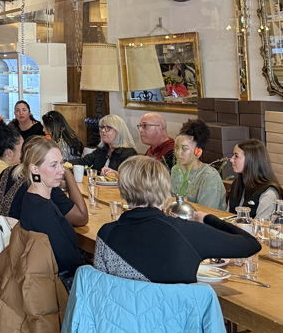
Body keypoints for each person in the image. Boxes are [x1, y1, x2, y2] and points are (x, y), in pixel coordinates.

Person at [95, 156, 259, 283]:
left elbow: (101, 286)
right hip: (176, 316)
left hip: (121, 315)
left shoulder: (106, 234)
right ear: (164, 189)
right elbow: (250, 245)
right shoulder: (187, 232)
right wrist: (210, 220)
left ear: (122, 189)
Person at [16, 137, 89, 285]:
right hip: (59, 285)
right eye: (53, 165)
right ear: (34, 169)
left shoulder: (33, 198)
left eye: (61, 163)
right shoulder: (42, 209)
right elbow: (68, 260)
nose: (61, 171)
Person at [171, 119, 226, 211]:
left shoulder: (209, 175)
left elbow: (206, 211)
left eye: (184, 149)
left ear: (198, 151)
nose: (178, 153)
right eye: (176, 147)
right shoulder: (176, 169)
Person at [228, 139, 282, 218]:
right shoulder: (236, 184)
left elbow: (262, 224)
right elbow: (227, 215)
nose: (231, 159)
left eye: (236, 156)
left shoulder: (268, 193)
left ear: (251, 160)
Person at [70, 114, 137, 175]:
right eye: (102, 127)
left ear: (118, 131)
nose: (103, 131)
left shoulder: (129, 153)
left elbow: (131, 178)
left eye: (108, 128)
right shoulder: (102, 150)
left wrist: (116, 174)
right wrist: (65, 163)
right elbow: (83, 161)